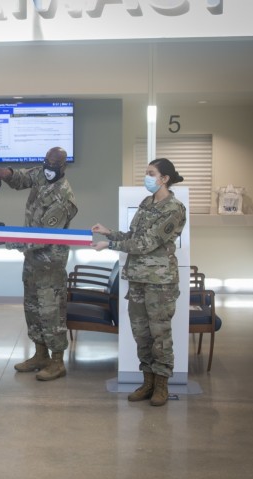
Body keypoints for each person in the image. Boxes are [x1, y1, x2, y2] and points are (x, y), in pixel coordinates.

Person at [91, 157, 186, 406]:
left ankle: (162, 385)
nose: (147, 177)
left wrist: (109, 245)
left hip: (160, 283)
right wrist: (109, 232)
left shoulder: (174, 209)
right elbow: (134, 236)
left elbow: (146, 244)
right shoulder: (146, 203)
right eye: (146, 172)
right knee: (141, 334)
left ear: (164, 179)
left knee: (160, 334)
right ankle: (147, 382)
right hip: (137, 280)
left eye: (151, 173)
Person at [0, 146, 78, 381]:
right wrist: (7, 173)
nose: (48, 170)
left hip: (50, 264)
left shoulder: (63, 197)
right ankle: (40, 354)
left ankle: (57, 361)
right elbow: (22, 178)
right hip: (31, 261)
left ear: (63, 167)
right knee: (32, 308)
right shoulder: (42, 173)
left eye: (54, 166)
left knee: (51, 312)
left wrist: (6, 240)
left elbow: (42, 237)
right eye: (46, 164)